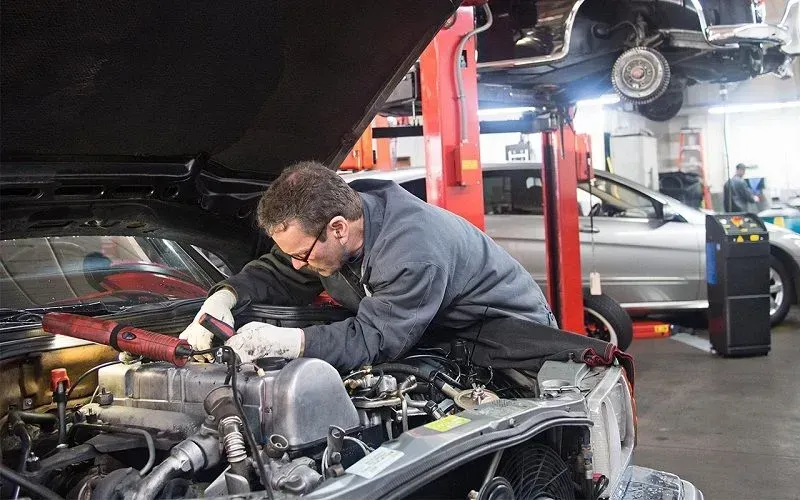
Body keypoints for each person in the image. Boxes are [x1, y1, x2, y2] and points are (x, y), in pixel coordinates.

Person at [180, 161, 555, 371]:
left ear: (338, 228)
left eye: (304, 254)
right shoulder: (325, 233)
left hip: (512, 346)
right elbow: (281, 270)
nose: (299, 263)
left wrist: (292, 342)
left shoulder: (412, 252)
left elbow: (375, 339)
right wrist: (224, 297)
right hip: (441, 335)